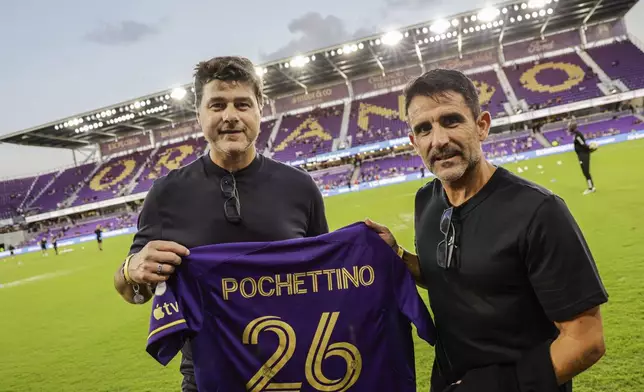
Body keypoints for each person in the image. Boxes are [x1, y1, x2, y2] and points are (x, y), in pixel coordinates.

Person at [365, 69, 608, 392]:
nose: (438, 140)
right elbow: (448, 275)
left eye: (451, 120)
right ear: (414, 142)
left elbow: (586, 340)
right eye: (424, 129)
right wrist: (397, 254)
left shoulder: (539, 210)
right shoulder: (426, 199)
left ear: (482, 126)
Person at [112, 56, 328, 392]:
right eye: (217, 105)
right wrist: (130, 271)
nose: (230, 116)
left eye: (243, 104)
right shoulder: (166, 193)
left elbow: (326, 281)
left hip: (297, 373)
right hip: (206, 379)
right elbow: (134, 294)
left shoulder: (300, 187)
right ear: (199, 114)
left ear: (260, 110)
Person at [568, 123, 597, 195]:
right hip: (581, 155)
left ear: (572, 128)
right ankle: (591, 187)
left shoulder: (578, 135)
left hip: (583, 155)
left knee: (586, 171)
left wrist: (591, 149)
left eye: (569, 127)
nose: (568, 129)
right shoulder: (576, 134)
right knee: (585, 172)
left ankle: (591, 188)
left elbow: (583, 144)